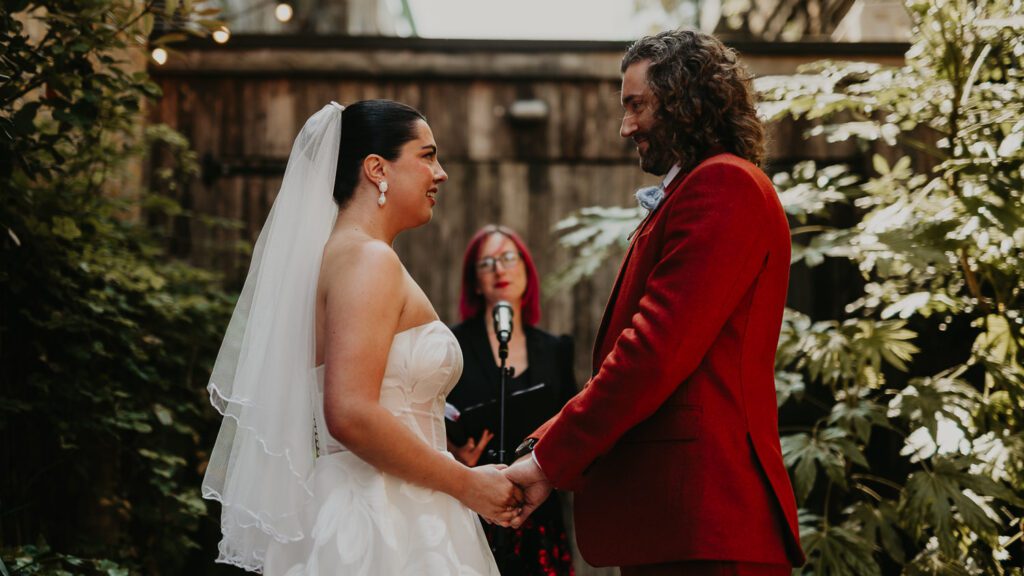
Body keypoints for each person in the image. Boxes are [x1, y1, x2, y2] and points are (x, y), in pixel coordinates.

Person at [504, 30, 806, 575]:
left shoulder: (722, 186)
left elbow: (652, 354)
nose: (626, 126)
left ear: (686, 99)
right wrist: (541, 446)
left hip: (704, 526)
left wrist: (548, 462)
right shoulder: (702, 187)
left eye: (636, 105)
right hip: (682, 526)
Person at [201, 99, 522, 576]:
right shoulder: (368, 260)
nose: (441, 173)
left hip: (398, 501)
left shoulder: (342, 257)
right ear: (377, 169)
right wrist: (466, 483)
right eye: (427, 155)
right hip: (383, 518)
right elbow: (349, 412)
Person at [446, 224, 576, 575]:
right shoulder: (451, 345)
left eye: (507, 258)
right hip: (476, 501)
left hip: (539, 509)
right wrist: (452, 452)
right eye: (486, 263)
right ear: (474, 281)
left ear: (526, 270)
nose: (499, 269)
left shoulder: (554, 349)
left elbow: (571, 420)